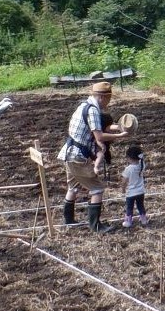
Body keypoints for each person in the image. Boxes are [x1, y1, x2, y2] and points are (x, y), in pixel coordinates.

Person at [57, 80, 133, 232]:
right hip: (78, 156)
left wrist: (118, 127)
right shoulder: (92, 111)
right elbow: (99, 136)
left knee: (73, 187)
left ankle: (69, 220)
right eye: (109, 98)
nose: (109, 102)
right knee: (97, 188)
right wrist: (121, 135)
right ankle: (96, 226)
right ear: (102, 97)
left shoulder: (83, 106)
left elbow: (99, 128)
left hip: (69, 153)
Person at [121, 143, 148, 228]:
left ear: (129, 158)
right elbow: (141, 159)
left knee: (129, 208)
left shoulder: (128, 169)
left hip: (131, 193)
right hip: (141, 192)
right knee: (141, 206)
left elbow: (124, 181)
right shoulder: (141, 165)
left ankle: (128, 221)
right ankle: (143, 220)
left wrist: (123, 189)